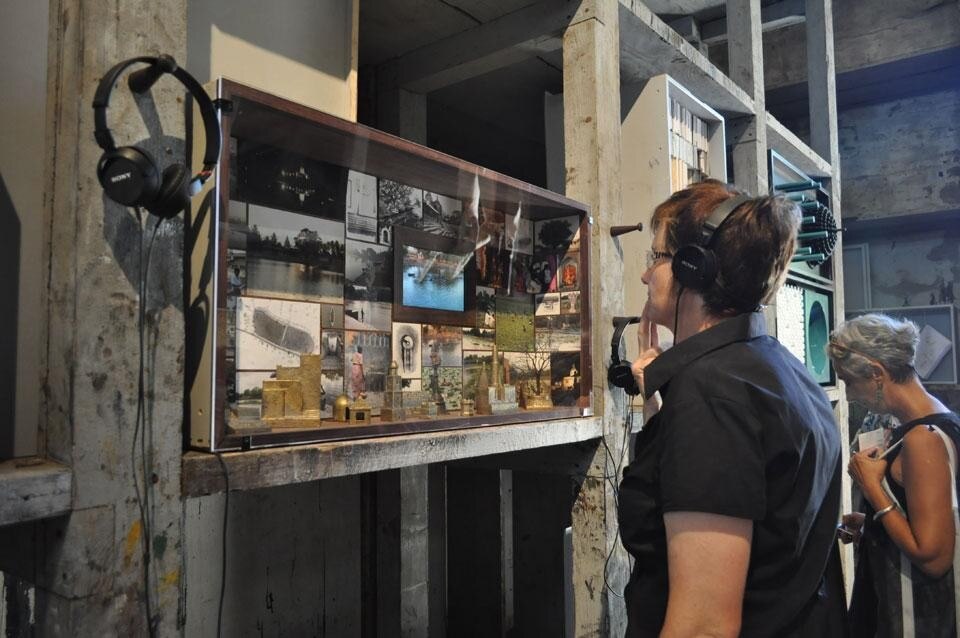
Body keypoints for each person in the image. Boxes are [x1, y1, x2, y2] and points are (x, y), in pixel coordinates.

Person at [618, 179, 844, 637]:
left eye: (655, 258)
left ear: (692, 267)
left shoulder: (713, 395)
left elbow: (703, 625)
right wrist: (660, 402)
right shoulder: (780, 370)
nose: (645, 276)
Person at [828, 314, 960, 637]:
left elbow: (933, 556)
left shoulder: (922, 439)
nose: (848, 395)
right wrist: (872, 525)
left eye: (848, 382)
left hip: (916, 622)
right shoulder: (939, 419)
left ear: (876, 373)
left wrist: (874, 490)